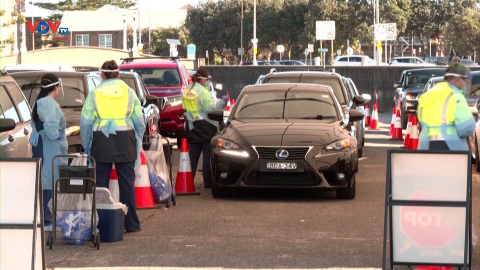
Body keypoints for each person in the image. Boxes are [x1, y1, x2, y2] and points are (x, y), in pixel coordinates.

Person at [80, 60, 145, 233]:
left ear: (102, 74)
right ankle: (131, 223)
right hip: (125, 139)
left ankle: (100, 223)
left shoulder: (94, 93)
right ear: (118, 74)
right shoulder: (129, 92)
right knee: (127, 184)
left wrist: (86, 144)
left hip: (101, 140)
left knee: (101, 184)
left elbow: (86, 123)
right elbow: (139, 120)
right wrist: (139, 137)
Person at [29, 73, 68, 231]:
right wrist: (57, 134)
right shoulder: (47, 102)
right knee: (48, 178)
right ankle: (46, 219)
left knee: (48, 178)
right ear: (56, 87)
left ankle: (47, 217)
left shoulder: (42, 101)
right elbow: (51, 125)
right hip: (48, 145)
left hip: (46, 145)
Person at [182, 68, 227, 188]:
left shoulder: (187, 90)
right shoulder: (203, 92)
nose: (207, 82)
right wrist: (222, 102)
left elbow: (184, 107)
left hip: (191, 126)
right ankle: (208, 183)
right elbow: (211, 110)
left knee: (192, 157)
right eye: (207, 80)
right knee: (207, 157)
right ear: (202, 80)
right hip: (205, 127)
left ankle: (187, 183)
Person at [417, 63, 475, 150]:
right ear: (457, 79)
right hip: (450, 146)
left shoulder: (428, 95)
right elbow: (467, 128)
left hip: (426, 145)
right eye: (465, 82)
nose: (465, 86)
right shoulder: (455, 96)